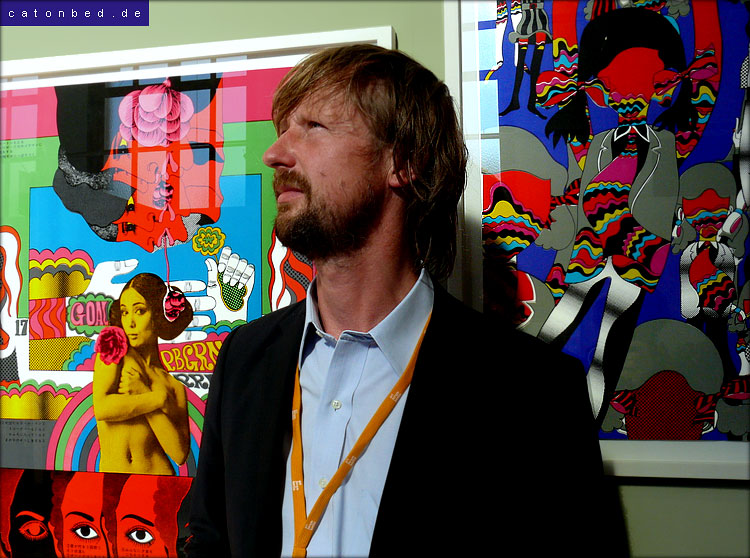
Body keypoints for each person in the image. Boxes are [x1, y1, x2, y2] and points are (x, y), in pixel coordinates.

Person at [186, 44, 628, 557]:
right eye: (283, 128)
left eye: (313, 127)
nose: (275, 153)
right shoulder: (245, 359)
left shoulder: (531, 391)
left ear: (404, 162)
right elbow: (208, 538)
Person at [93, 273, 193, 475]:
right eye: (124, 312)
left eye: (139, 311)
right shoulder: (115, 349)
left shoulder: (173, 385)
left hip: (160, 479)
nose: (130, 322)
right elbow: (102, 408)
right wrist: (156, 399)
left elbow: (179, 454)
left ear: (157, 315)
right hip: (113, 477)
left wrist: (143, 391)